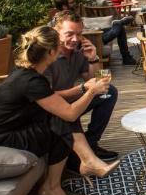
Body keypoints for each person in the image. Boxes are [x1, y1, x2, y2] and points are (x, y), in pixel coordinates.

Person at [0, 26, 119, 195]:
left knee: (58, 118)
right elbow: (70, 113)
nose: (64, 45)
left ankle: (70, 174)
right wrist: (91, 91)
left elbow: (56, 103)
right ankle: (68, 175)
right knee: (62, 121)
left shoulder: (27, 73)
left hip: (11, 129)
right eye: (59, 44)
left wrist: (84, 88)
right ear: (50, 51)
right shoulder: (31, 81)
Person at [44, 12, 121, 162]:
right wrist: (83, 89)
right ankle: (77, 152)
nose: (75, 39)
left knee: (109, 91)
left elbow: (96, 81)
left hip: (69, 101)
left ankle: (91, 142)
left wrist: (94, 58)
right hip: (49, 109)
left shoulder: (78, 52)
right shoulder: (47, 56)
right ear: (56, 32)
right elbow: (46, 97)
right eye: (69, 34)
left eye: (79, 34)